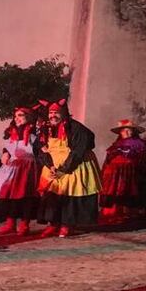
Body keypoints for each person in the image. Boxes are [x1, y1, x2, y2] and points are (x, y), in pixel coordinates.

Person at [36, 100, 102, 238]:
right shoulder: (45, 129)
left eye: (56, 113)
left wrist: (64, 169)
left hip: (72, 165)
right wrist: (50, 166)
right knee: (52, 196)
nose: (53, 116)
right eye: (51, 113)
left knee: (69, 196)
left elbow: (78, 152)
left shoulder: (76, 128)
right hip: (53, 166)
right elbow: (40, 149)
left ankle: (67, 225)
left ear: (63, 113)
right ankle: (53, 224)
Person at [0, 106, 42, 235]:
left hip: (28, 167)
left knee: (26, 196)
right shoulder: (11, 131)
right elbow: (8, 146)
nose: (17, 118)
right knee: (9, 196)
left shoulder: (35, 133)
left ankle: (24, 224)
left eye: (20, 115)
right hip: (12, 167)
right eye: (16, 116)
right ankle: (10, 223)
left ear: (29, 117)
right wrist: (5, 153)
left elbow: (39, 150)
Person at [100, 119, 146, 219]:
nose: (126, 132)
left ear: (133, 131)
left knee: (127, 190)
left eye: (128, 130)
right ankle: (113, 211)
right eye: (123, 130)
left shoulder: (139, 144)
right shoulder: (116, 145)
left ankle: (127, 211)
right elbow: (108, 159)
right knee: (112, 190)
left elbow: (142, 159)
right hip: (113, 175)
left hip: (129, 173)